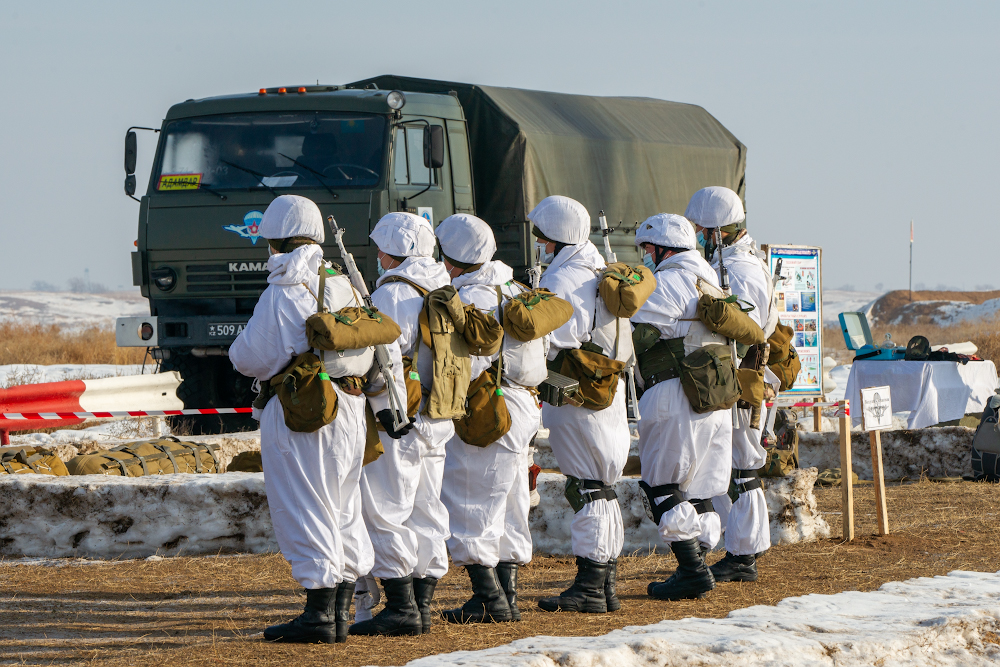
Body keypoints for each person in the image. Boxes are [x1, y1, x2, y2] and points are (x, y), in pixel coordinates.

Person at [229, 194, 410, 643]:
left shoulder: (284, 288)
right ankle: (341, 612)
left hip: (306, 412)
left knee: (306, 506)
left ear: (275, 239)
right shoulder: (344, 283)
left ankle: (318, 616)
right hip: (350, 408)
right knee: (343, 507)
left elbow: (250, 355)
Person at [349, 212, 454, 637]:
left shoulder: (394, 292)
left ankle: (401, 607)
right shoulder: (444, 286)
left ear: (394, 252)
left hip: (398, 415)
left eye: (382, 249)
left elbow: (382, 356)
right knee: (428, 508)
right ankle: (422, 605)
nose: (377, 256)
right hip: (437, 415)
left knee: (387, 508)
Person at [434, 214, 541, 624]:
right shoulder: (513, 287)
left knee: (470, 499)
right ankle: (507, 594)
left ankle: (488, 599)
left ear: (454, 257)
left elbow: (467, 361)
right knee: (510, 500)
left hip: (489, 406)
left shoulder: (471, 298)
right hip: (522, 402)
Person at [530, 195, 630, 614]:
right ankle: (602, 584)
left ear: (553, 238)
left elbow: (553, 338)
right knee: (601, 489)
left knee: (587, 488)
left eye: (541, 236)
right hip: (605, 390)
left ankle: (590, 587)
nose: (539, 244)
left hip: (577, 393)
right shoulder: (599, 269)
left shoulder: (565, 279)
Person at [631, 213, 733, 601]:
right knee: (702, 485)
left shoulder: (668, 280)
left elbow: (637, 337)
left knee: (663, 484)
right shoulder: (708, 277)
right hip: (714, 396)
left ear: (662, 249)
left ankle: (692, 570)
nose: (646, 258)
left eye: (647, 249)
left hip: (674, 392)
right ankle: (697, 560)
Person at [685, 186, 778, 583]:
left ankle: (743, 556)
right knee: (737, 465)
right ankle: (740, 549)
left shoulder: (740, 270)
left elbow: (744, 328)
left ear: (718, 231)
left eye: (702, 229)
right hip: (734, 373)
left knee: (743, 465)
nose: (698, 235)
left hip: (740, 374)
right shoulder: (741, 262)